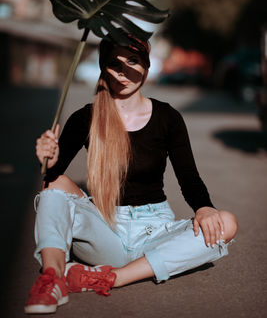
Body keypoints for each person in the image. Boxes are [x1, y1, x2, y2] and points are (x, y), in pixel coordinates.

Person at [25, 31, 238, 314]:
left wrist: (204, 208)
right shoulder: (86, 117)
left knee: (226, 223)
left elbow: (189, 178)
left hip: (156, 229)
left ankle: (110, 278)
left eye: (134, 60)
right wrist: (47, 158)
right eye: (115, 63)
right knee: (53, 186)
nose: (124, 71)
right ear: (104, 67)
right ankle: (52, 279)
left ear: (146, 67)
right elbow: (51, 177)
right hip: (106, 229)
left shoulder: (167, 117)